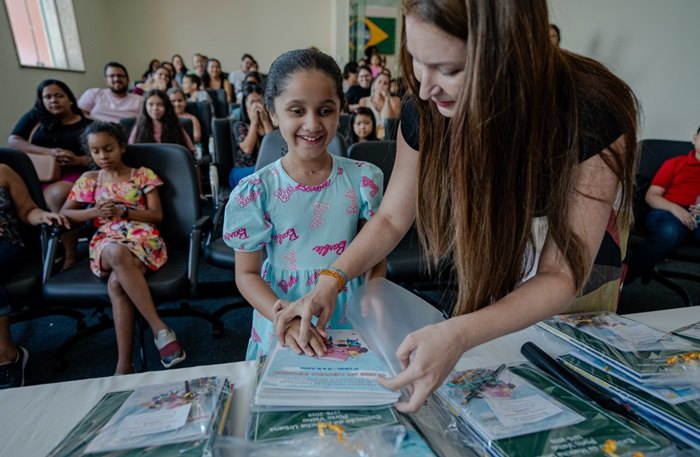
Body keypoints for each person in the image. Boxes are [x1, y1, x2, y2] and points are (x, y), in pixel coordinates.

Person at [274, 0, 639, 413]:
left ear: (508, 58)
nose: (424, 88)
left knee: (572, 391)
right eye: (417, 60)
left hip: (577, 259)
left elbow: (561, 274)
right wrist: (330, 281)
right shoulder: (426, 107)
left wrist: (460, 332)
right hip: (502, 241)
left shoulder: (591, 110)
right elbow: (392, 218)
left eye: (448, 69)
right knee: (498, 382)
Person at [222, 49, 386, 360]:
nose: (312, 124)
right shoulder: (255, 191)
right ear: (273, 113)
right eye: (296, 111)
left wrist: (374, 289)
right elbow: (246, 274)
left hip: (348, 308)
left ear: (340, 111)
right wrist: (286, 316)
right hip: (281, 312)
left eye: (325, 110)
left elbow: (375, 251)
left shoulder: (364, 179)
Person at [61, 122, 186, 374]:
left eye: (108, 149)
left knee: (118, 283)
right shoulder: (89, 180)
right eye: (96, 151)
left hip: (143, 238)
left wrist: (123, 211)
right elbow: (66, 213)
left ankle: (123, 366)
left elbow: (157, 215)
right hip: (107, 240)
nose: (103, 156)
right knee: (117, 252)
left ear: (122, 147)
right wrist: (95, 212)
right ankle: (159, 328)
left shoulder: (142, 175)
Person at [8, 79, 93, 269]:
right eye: (48, 97)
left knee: (58, 195)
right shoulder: (35, 118)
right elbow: (14, 140)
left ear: (70, 99)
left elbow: (100, 155)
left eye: (59, 96)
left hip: (75, 173)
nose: (53, 100)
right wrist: (48, 152)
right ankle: (34, 252)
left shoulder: (88, 124)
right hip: (40, 174)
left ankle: (70, 254)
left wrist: (78, 160)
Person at [0, 164, 69, 388]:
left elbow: (28, 210)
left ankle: (6, 354)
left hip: (6, 244)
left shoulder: (3, 171)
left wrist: (43, 216)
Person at [626, 126, 700, 283]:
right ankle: (623, 278)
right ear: (695, 139)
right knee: (668, 232)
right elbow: (651, 196)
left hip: (698, 215)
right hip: (669, 211)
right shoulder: (675, 163)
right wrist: (676, 209)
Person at [227, 82, 274, 188]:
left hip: (266, 170)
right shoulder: (239, 125)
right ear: (245, 105)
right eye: (252, 102)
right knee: (265, 172)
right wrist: (254, 123)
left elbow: (273, 147)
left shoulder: (272, 124)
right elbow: (247, 149)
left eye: (259, 101)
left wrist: (265, 121)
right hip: (242, 170)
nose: (256, 105)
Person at [129, 89, 195, 153]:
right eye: (151, 104)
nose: (155, 108)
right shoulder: (139, 128)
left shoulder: (176, 126)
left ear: (166, 107)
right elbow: (131, 151)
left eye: (159, 104)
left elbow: (189, 151)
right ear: (145, 106)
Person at [77, 62, 143, 122]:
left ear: (128, 80)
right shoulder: (94, 93)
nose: (116, 79)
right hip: (96, 129)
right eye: (112, 76)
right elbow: (79, 115)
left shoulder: (140, 100)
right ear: (106, 81)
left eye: (120, 76)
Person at [358, 72, 401, 139]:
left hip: (389, 137)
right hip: (370, 137)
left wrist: (387, 100)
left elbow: (390, 122)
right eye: (379, 82)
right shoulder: (363, 101)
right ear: (374, 84)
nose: (381, 85)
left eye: (385, 83)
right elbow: (363, 123)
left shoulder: (395, 101)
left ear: (388, 87)